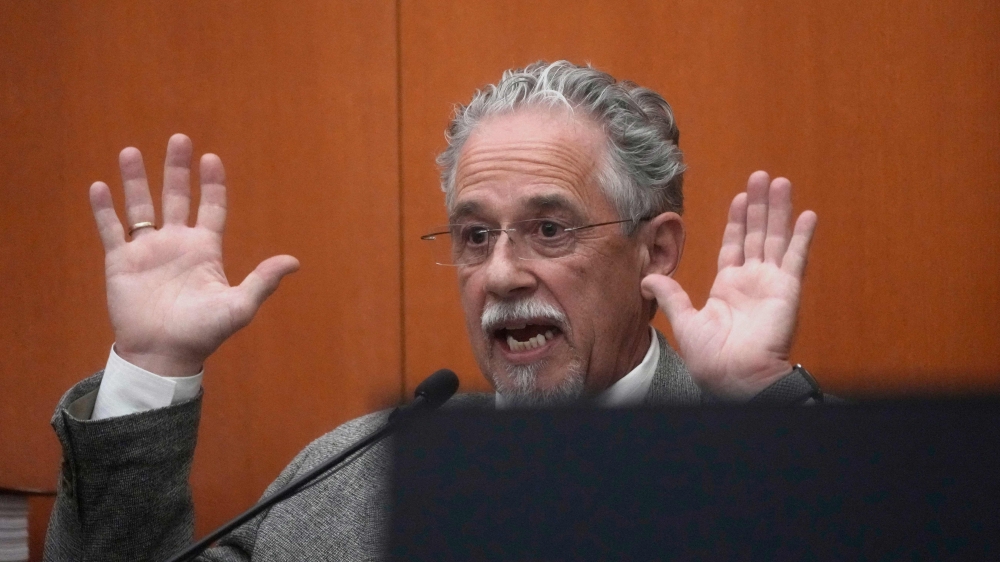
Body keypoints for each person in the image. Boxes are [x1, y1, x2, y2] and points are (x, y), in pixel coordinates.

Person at [44, 61, 823, 560]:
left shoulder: (765, 466)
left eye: (549, 230)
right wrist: (151, 369)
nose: (502, 272)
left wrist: (765, 406)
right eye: (475, 235)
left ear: (653, 252)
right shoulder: (350, 475)